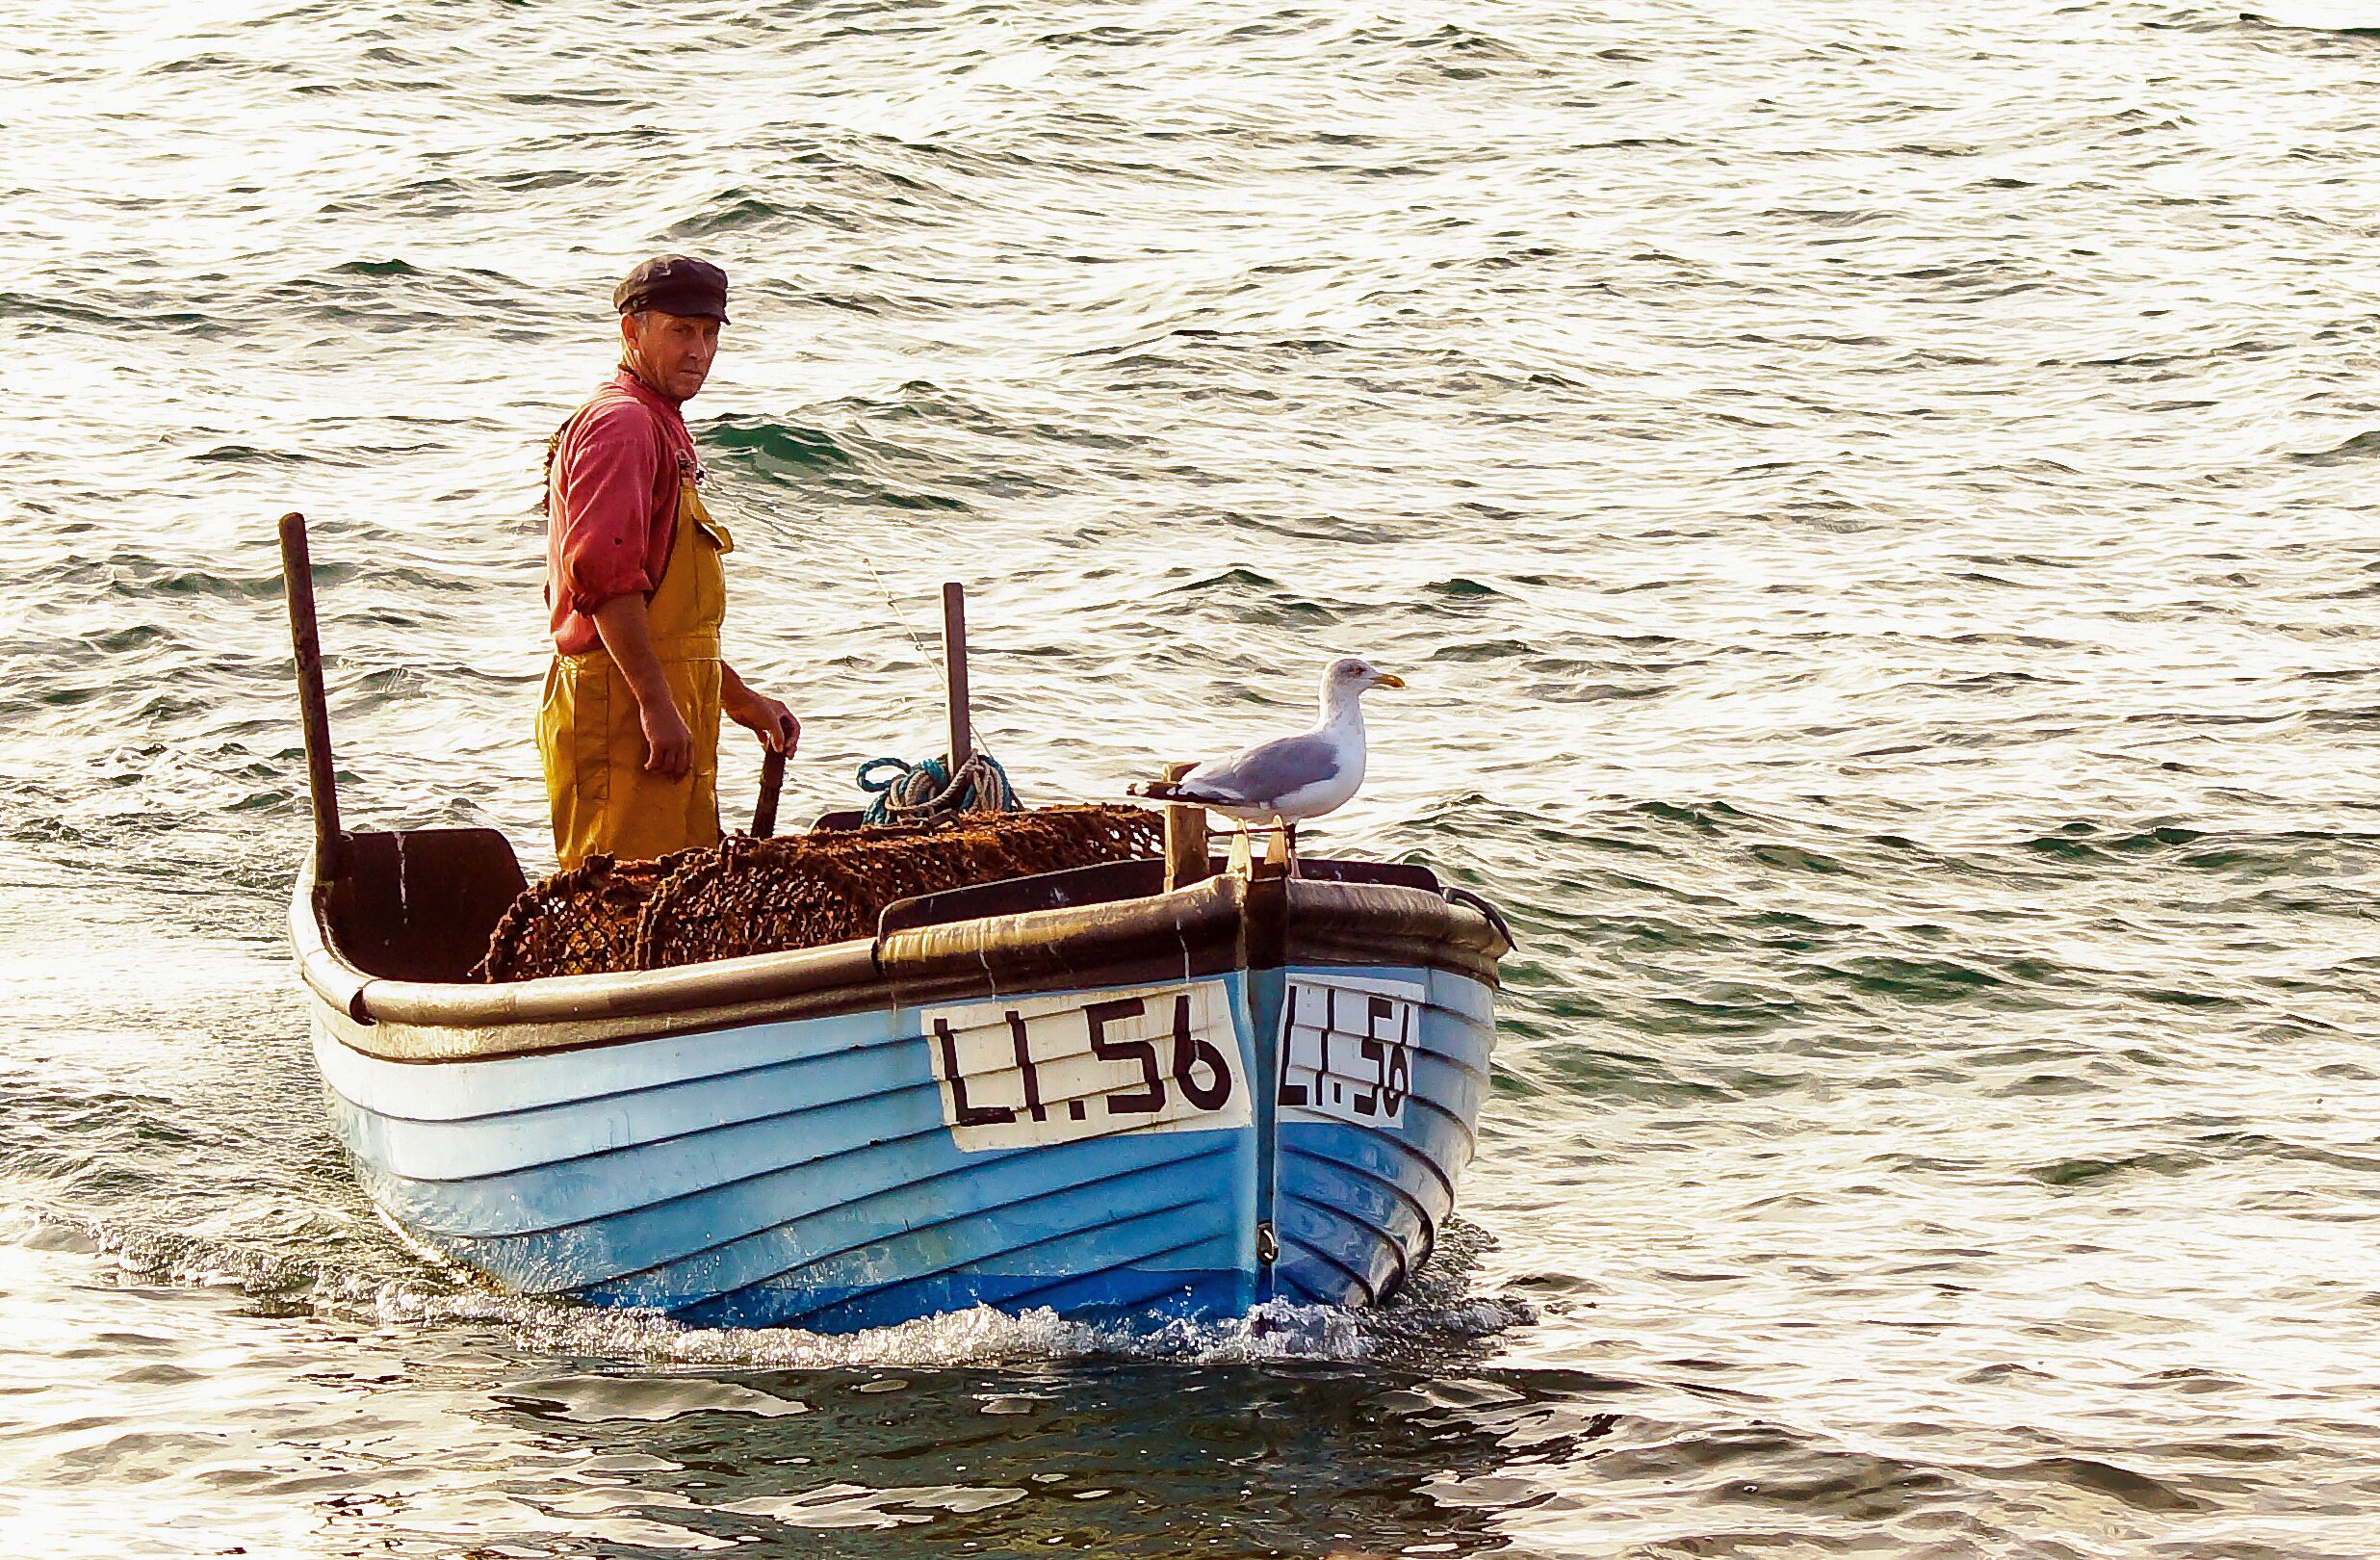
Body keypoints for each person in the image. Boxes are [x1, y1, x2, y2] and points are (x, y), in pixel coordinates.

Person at [536, 254, 799, 869]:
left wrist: (740, 699)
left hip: (664, 707)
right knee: (620, 899)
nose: (698, 352)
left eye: (709, 334)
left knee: (675, 894)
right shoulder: (622, 425)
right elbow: (607, 586)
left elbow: (672, 625)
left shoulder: (660, 423)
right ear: (632, 331)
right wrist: (656, 707)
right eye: (680, 331)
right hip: (622, 712)